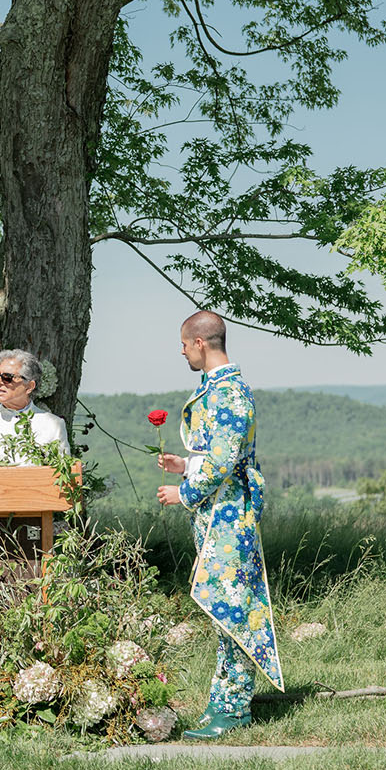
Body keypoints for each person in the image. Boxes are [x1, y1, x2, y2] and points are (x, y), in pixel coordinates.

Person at [156, 312, 283, 738]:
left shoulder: (229, 392)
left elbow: (228, 460)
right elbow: (217, 454)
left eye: (183, 344)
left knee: (234, 607)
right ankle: (224, 702)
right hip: (219, 514)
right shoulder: (216, 389)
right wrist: (186, 464)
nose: (180, 351)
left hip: (230, 517)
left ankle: (234, 708)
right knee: (222, 606)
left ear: (199, 344)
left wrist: (185, 492)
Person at [0, 349, 69, 641]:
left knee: (36, 597)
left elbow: (62, 479)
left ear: (30, 384)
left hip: (36, 531)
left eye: (8, 377)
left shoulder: (52, 424)